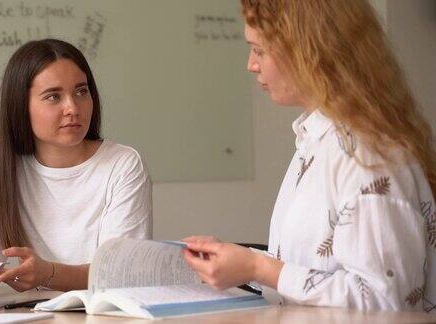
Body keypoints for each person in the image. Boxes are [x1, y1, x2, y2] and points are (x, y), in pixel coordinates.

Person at [183, 0, 436, 313]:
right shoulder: (317, 139)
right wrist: (240, 261)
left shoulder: (368, 155)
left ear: (308, 50)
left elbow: (385, 302)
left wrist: (258, 267)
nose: (251, 64)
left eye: (259, 50)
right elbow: (315, 269)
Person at [0, 39, 152, 298]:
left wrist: (49, 274)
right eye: (54, 96)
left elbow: (120, 272)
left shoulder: (123, 165)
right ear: (21, 107)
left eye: (81, 91)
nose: (73, 108)